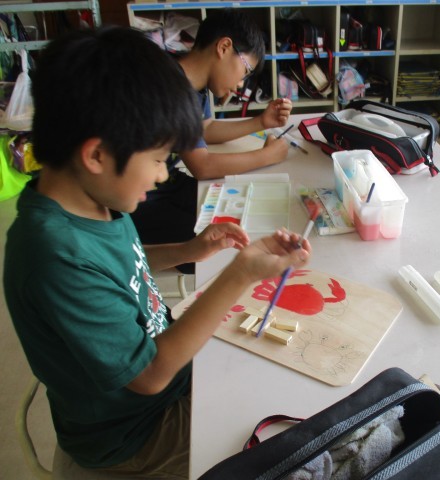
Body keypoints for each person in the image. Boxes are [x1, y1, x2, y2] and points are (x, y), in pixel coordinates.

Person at [3, 26, 310, 478]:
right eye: (157, 159)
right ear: (97, 155)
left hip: (169, 376)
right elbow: (148, 376)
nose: (164, 175)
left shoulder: (94, 199)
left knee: (279, 383)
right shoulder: (53, 257)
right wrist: (239, 275)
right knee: (283, 453)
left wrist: (189, 249)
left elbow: (123, 262)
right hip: (134, 431)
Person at [130, 9, 294, 258]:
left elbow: (204, 129)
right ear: (224, 47)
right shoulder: (172, 88)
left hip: (168, 185)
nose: (241, 84)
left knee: (238, 212)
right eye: (246, 70)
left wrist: (261, 122)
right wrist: (268, 156)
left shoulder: (193, 83)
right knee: (227, 246)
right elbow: (202, 166)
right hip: (143, 200)